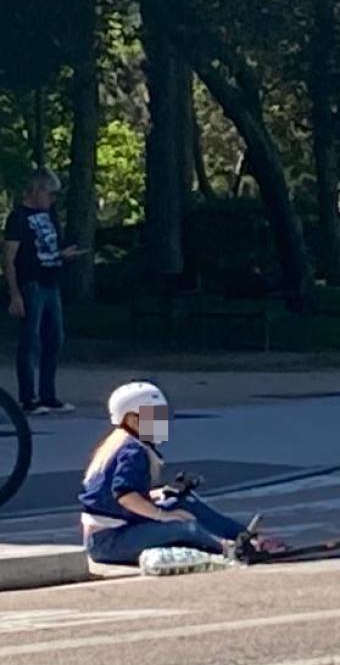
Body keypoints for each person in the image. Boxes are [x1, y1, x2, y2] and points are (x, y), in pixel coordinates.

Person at [79, 381, 284, 566]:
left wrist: (160, 494)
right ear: (132, 419)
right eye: (154, 415)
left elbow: (113, 497)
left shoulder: (123, 444)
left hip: (117, 531)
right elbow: (124, 495)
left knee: (183, 501)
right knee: (183, 526)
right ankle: (230, 550)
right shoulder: (133, 451)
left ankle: (246, 537)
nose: (161, 421)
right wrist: (162, 516)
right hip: (109, 541)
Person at [4, 168, 85, 415]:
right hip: (31, 283)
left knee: (54, 338)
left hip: (51, 283)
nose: (52, 200)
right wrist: (15, 293)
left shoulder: (49, 215)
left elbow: (49, 248)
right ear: (37, 191)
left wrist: (63, 255)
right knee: (30, 341)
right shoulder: (18, 218)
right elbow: (9, 258)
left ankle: (48, 394)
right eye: (50, 194)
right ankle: (28, 398)